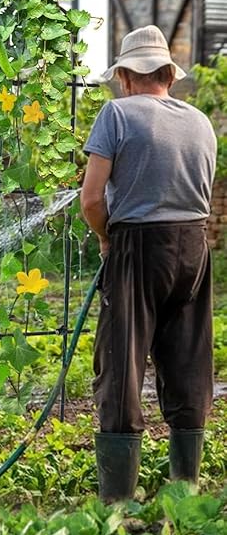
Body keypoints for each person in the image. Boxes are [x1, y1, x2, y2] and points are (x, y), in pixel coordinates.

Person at [80, 25, 217, 502]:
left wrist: (105, 241)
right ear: (169, 76)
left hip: (138, 246)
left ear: (124, 76)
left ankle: (117, 502)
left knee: (120, 360)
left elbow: (92, 200)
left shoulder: (116, 115)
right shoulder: (200, 121)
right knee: (188, 358)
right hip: (194, 247)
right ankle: (186, 489)